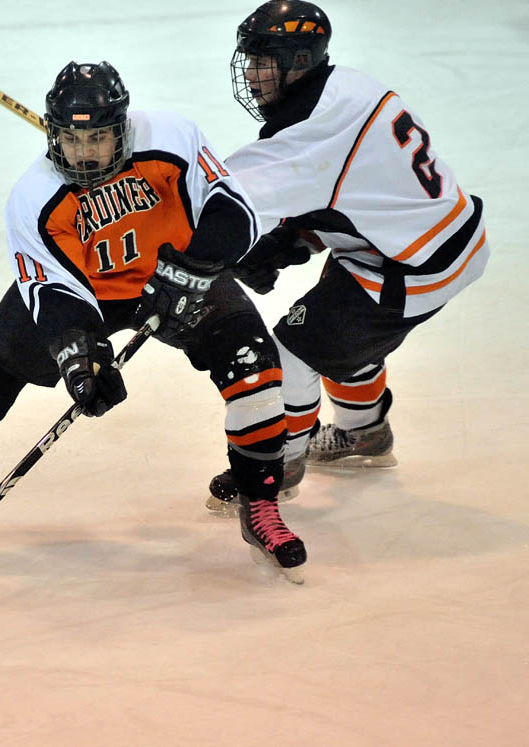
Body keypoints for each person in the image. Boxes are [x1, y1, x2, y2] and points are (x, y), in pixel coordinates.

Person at [0, 60, 307, 573]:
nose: (83, 154)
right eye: (72, 141)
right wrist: (78, 358)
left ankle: (260, 502)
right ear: (54, 135)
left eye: (98, 141)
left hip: (177, 273)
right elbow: (54, 294)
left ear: (122, 132)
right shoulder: (33, 198)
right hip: (87, 290)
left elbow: (231, 207)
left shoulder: (171, 139)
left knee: (256, 368)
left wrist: (196, 267)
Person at [207, 0, 490, 511]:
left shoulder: (307, 132)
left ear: (297, 62)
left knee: (291, 351)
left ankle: (279, 467)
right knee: (340, 339)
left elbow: (219, 205)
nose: (250, 74)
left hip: (410, 268)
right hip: (425, 239)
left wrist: (243, 244)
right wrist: (292, 239)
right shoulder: (348, 86)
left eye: (261, 61)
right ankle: (365, 434)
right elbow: (356, 189)